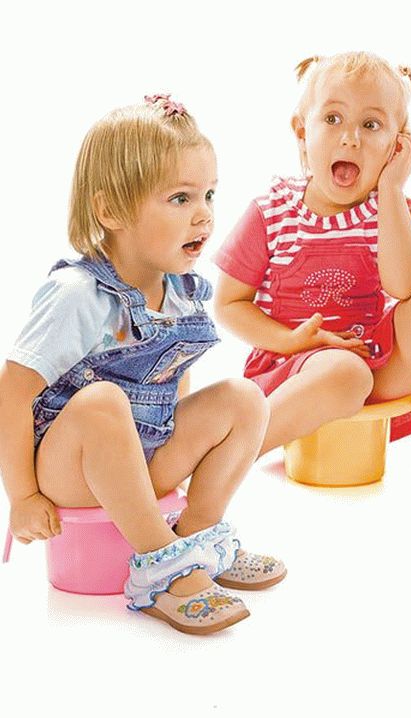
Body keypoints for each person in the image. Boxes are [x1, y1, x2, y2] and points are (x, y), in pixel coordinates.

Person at [0, 95, 286, 635]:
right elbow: (12, 391)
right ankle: (164, 567)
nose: (204, 214)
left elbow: (172, 379)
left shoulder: (179, 289)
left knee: (243, 398)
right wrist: (22, 496)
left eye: (208, 194)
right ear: (110, 211)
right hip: (69, 471)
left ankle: (195, 536)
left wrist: (185, 444)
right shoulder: (78, 293)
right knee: (102, 402)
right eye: (180, 198)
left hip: (142, 454)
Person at [214, 51, 411, 491]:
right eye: (332, 119)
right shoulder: (272, 211)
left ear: (398, 145)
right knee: (345, 373)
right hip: (294, 372)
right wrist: (291, 340)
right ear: (302, 131)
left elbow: (407, 287)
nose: (350, 139)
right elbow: (228, 304)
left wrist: (392, 188)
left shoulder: (390, 210)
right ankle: (233, 451)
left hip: (372, 363)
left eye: (371, 125)